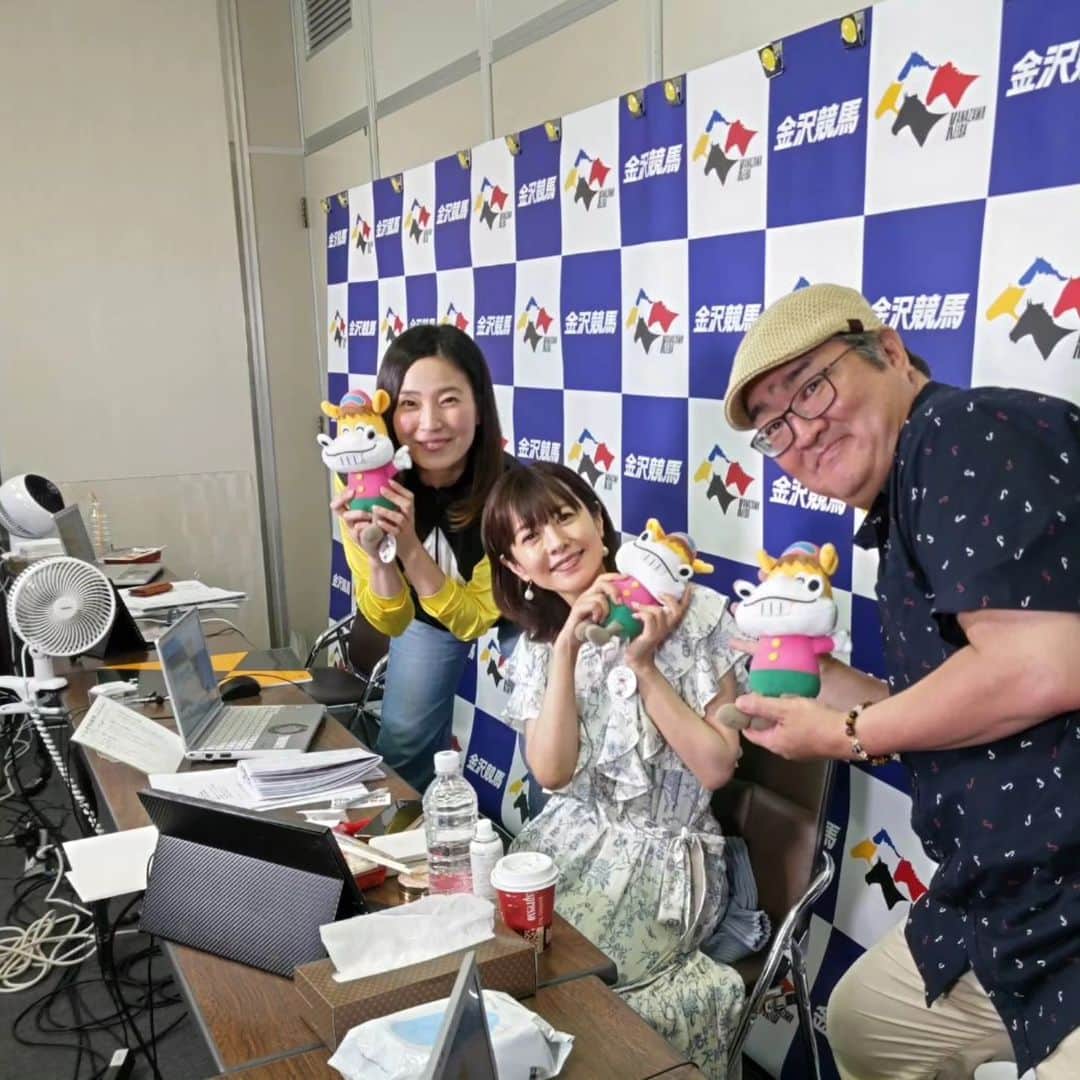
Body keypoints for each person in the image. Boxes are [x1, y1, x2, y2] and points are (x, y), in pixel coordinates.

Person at [722, 282, 1080, 1080]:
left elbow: (1040, 666)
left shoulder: (960, 433)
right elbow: (963, 704)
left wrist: (845, 734)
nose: (802, 432)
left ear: (887, 350)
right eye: (775, 428)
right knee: (865, 1025)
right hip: (999, 908)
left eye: (811, 389)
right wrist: (820, 680)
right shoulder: (906, 496)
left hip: (1065, 905)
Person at [482, 462, 756, 1079]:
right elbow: (552, 774)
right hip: (570, 842)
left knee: (571, 988)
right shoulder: (538, 646)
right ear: (516, 566)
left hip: (667, 859)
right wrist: (566, 648)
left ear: (598, 520)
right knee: (500, 966)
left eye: (564, 516)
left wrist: (645, 665)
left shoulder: (697, 613)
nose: (556, 542)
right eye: (530, 536)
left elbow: (717, 766)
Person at [332, 324, 511, 792]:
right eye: (410, 404)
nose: (430, 423)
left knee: (552, 746)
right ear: (386, 411)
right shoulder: (360, 479)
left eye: (449, 400)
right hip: (426, 613)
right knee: (405, 747)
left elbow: (473, 620)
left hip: (532, 612)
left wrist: (409, 547)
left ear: (479, 407)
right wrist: (381, 557)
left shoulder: (510, 491)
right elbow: (388, 620)